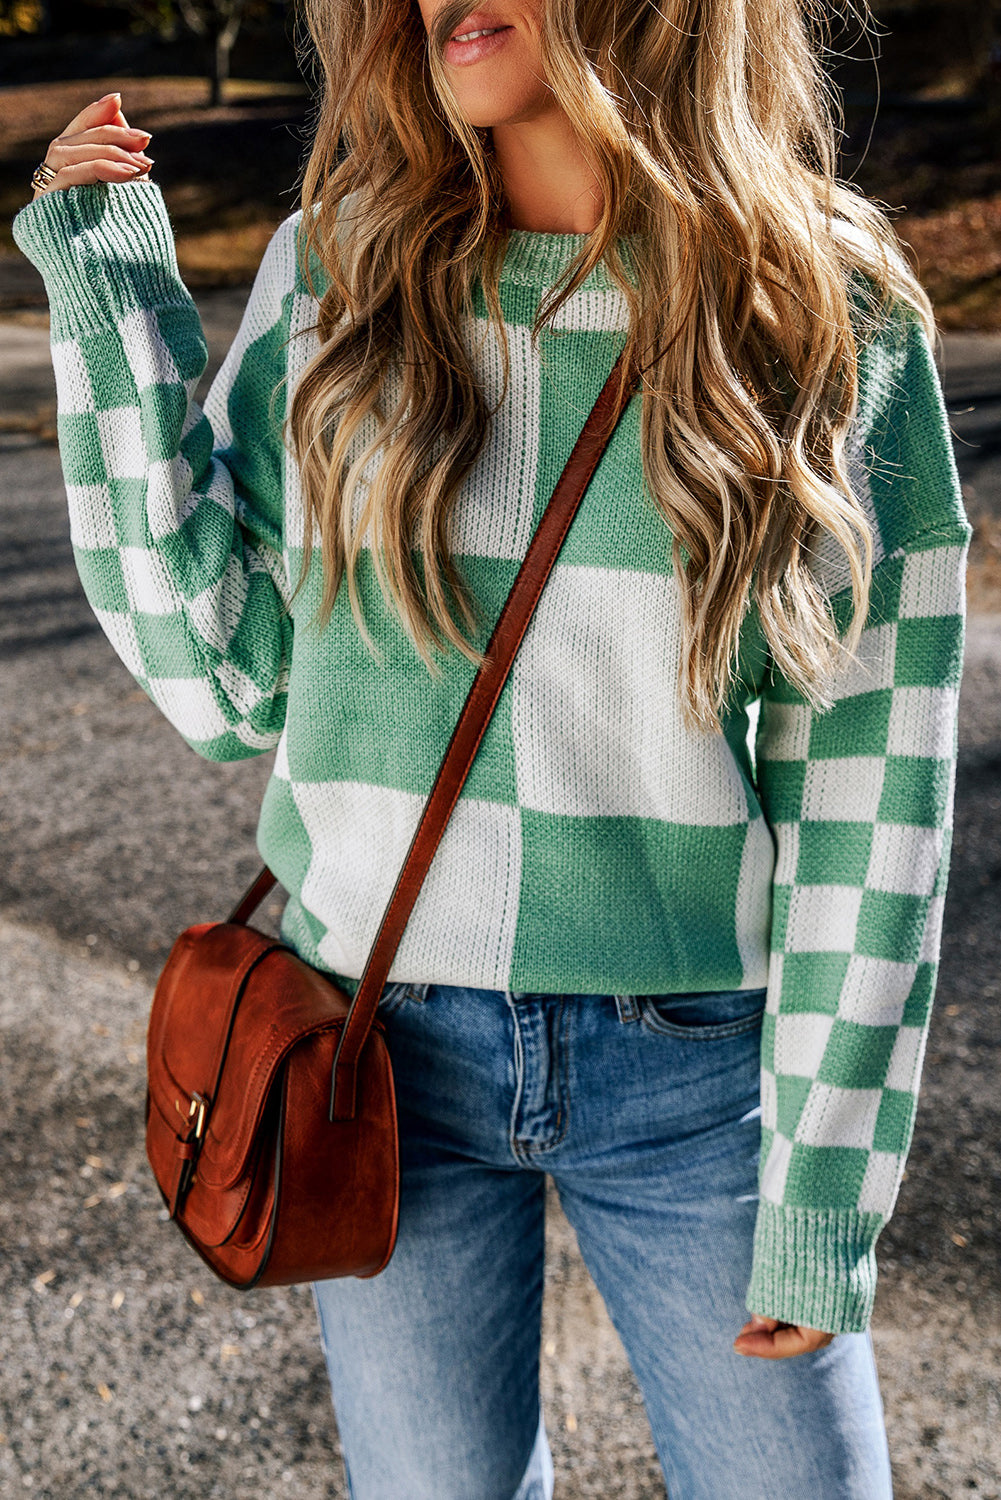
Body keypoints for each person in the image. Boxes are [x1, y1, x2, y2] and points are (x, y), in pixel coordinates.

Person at [14, 0, 970, 1494]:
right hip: (371, 1051)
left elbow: (870, 789)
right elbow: (230, 687)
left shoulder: (822, 309)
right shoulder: (336, 271)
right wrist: (110, 305)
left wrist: (823, 1194)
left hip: (692, 1076)